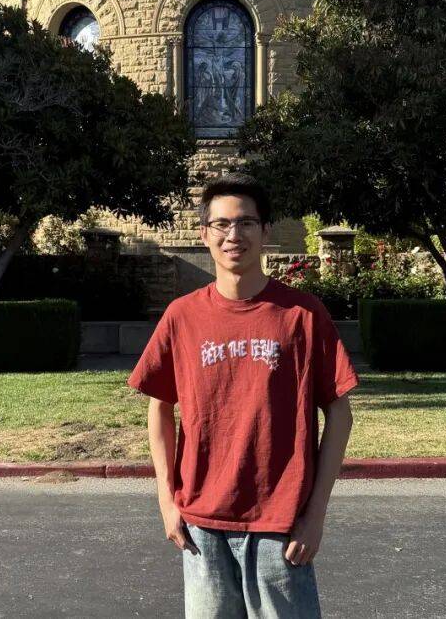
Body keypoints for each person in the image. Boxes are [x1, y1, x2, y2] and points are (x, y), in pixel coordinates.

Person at [127, 172, 359, 618]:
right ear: (204, 233)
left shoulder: (302, 315)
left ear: (265, 231)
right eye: (221, 224)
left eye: (247, 223)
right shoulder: (182, 316)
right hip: (201, 523)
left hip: (281, 523)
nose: (234, 235)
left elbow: (340, 413)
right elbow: (160, 409)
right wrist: (166, 500)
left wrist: (315, 514)